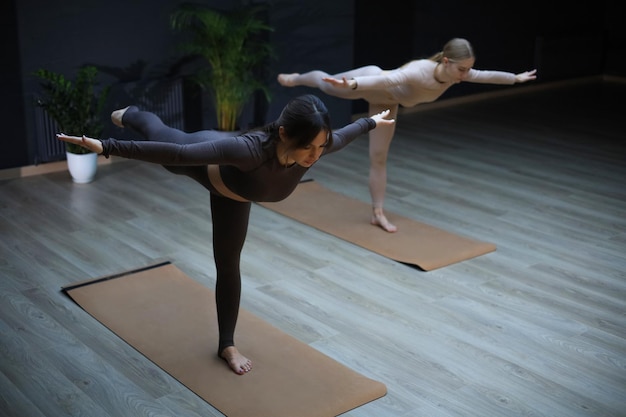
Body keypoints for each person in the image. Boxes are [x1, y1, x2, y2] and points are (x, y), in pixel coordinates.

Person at [57, 94, 394, 375]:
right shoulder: (249, 150)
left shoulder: (317, 146)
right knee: (162, 136)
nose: (315, 155)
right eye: (309, 147)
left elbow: (346, 134)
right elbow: (178, 154)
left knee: (229, 264)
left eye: (321, 146)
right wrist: (106, 146)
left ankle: (226, 345)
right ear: (283, 134)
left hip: (235, 194)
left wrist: (372, 121)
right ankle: (133, 114)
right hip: (205, 157)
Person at [278, 38, 537, 232]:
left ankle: (377, 213)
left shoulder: (457, 74)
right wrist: (354, 85)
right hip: (371, 80)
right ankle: (297, 78)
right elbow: (388, 80)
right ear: (446, 62)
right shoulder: (419, 70)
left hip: (386, 104)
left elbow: (486, 76)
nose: (466, 75)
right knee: (326, 84)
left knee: (378, 157)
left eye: (469, 69)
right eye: (462, 70)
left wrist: (515, 78)